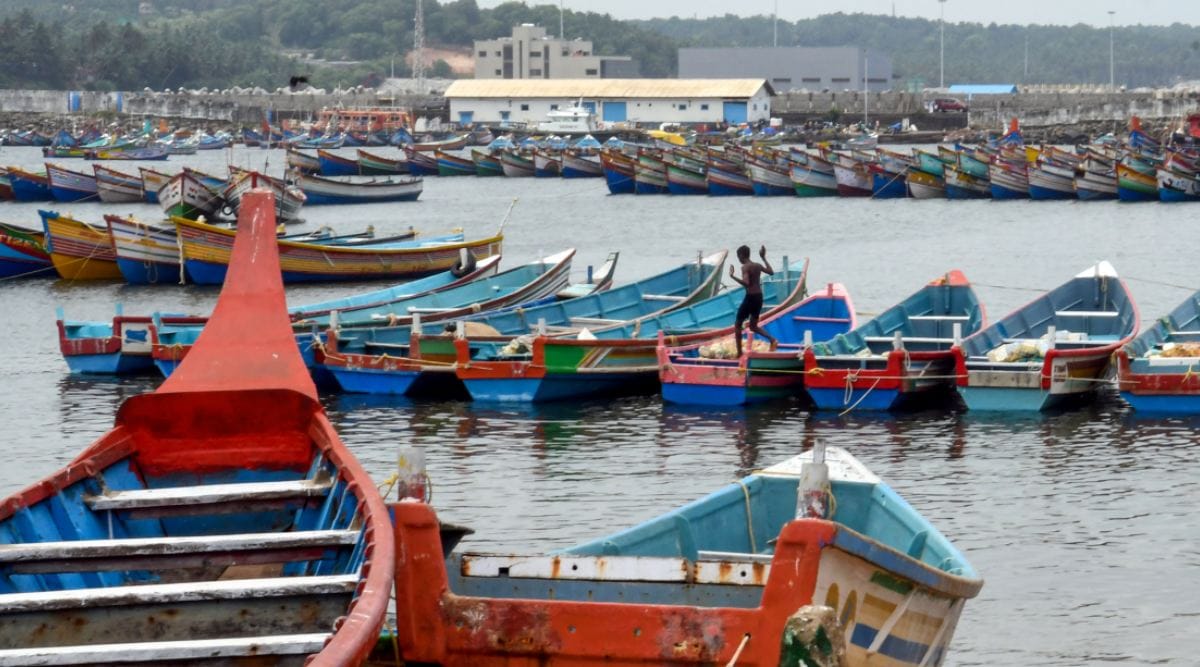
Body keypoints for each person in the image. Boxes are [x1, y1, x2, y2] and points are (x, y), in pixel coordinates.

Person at [728, 244, 778, 357]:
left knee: (737, 324)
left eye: (738, 257)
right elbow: (771, 272)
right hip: (759, 297)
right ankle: (772, 340)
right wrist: (763, 257)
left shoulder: (745, 267)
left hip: (750, 297)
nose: (738, 259)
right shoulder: (757, 265)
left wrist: (732, 276)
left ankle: (739, 353)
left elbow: (746, 283)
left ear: (741, 255)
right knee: (753, 326)